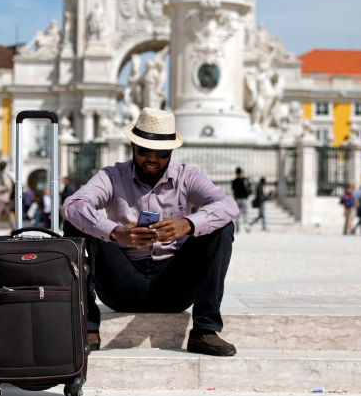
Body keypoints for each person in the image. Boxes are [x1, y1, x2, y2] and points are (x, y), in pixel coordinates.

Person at [62, 107, 240, 357]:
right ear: (133, 146)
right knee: (75, 221)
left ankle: (204, 330)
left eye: (162, 153)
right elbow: (72, 205)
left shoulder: (187, 176)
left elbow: (228, 205)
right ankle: (88, 325)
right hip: (121, 283)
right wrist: (114, 231)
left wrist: (188, 224)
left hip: (173, 285)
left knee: (222, 227)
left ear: (172, 152)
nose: (152, 159)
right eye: (144, 150)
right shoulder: (112, 176)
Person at [231, 168, 251, 233]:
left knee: (237, 215)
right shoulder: (245, 180)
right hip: (244, 199)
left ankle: (237, 228)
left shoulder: (234, 181)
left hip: (237, 199)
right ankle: (246, 224)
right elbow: (249, 189)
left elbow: (233, 189)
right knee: (245, 213)